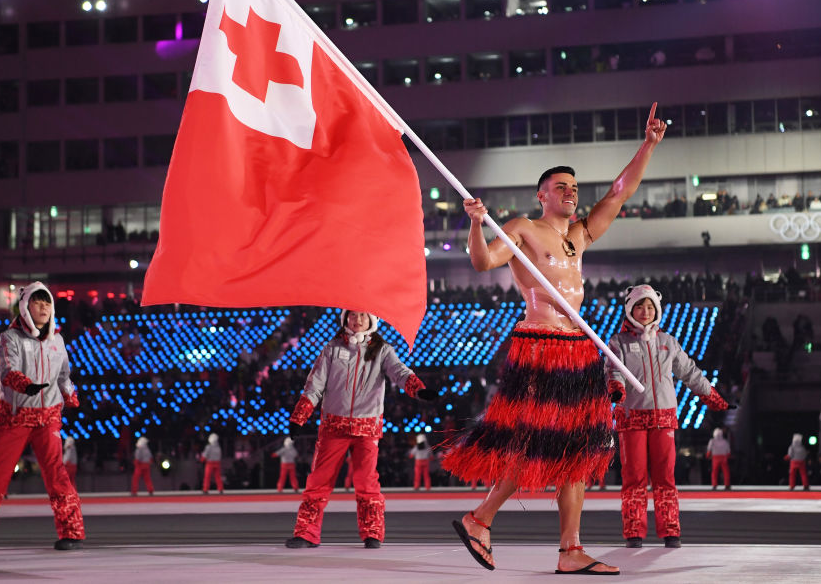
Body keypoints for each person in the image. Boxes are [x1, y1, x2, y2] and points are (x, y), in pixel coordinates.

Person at [443, 108, 667, 575]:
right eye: (561, 187)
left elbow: (619, 193)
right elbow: (484, 262)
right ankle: (480, 517)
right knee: (536, 444)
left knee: (579, 451)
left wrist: (648, 145)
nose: (571, 193)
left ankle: (569, 549)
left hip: (578, 350)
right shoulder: (523, 227)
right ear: (542, 195)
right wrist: (476, 224)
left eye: (574, 187)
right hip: (541, 345)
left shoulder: (579, 236)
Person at [285, 309, 436, 550]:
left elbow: (399, 372)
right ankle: (306, 533)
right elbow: (314, 385)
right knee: (318, 481)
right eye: (352, 316)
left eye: (363, 316)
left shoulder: (383, 350)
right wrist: (299, 417)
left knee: (367, 482)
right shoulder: (332, 349)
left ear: (372, 320)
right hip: (334, 426)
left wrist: (417, 388)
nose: (358, 320)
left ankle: (372, 533)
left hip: (367, 427)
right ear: (345, 319)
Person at [0, 282, 84, 552]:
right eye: (37, 303)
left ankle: (72, 532)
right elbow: (6, 371)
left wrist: (70, 395)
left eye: (47, 303)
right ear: (25, 307)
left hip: (49, 416)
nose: (44, 308)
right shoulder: (8, 338)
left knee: (57, 475)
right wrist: (24, 384)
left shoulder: (57, 341)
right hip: (14, 417)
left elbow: (64, 375)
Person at [606, 284, 730, 548]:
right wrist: (616, 389)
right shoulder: (619, 343)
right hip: (632, 418)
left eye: (650, 307)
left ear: (657, 310)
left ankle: (671, 530)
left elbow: (689, 372)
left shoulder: (668, 342)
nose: (645, 312)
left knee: (665, 477)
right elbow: (613, 372)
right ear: (630, 309)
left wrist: (711, 395)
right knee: (634, 478)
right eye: (639, 306)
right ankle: (634, 532)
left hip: (664, 417)